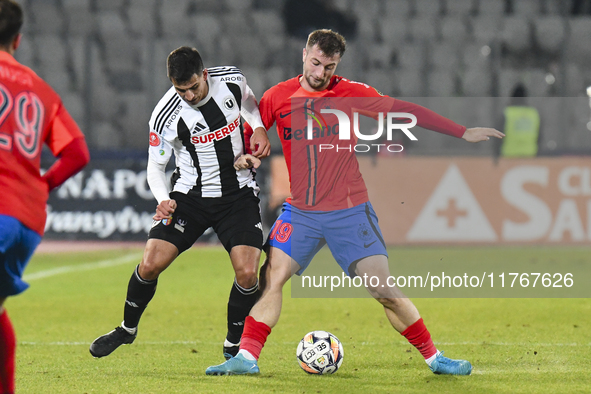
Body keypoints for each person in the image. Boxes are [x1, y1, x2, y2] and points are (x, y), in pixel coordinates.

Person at [206, 29, 504, 376]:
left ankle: (435, 358)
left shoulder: (352, 93)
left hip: (349, 211)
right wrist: (244, 155)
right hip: (301, 211)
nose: (320, 73)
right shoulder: (276, 97)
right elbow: (248, 133)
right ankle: (247, 357)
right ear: (304, 54)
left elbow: (406, 111)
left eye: (329, 67)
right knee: (272, 277)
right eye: (316, 63)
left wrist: (461, 131)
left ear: (338, 64)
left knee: (384, 290)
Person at [89, 47, 270, 361]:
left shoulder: (230, 81)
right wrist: (163, 200)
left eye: (193, 87)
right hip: (190, 198)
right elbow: (155, 167)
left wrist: (258, 128)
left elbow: (250, 103)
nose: (187, 95)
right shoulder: (165, 114)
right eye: (179, 89)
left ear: (204, 74)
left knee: (248, 274)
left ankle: (232, 344)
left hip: (238, 195)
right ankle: (126, 329)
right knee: (150, 264)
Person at [0, 1, 91, 392]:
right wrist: (41, 184)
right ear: (18, 40)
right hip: (27, 219)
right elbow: (77, 153)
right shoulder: (41, 90)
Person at [493, 83, 541, 160]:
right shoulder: (534, 114)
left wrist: (496, 155)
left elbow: (498, 137)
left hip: (509, 156)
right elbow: (539, 137)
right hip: (530, 155)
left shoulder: (507, 113)